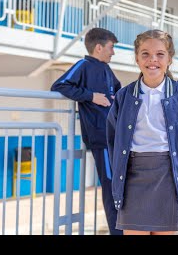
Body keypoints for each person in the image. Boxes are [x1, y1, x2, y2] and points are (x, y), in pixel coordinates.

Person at [106, 29, 178, 235]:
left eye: (160, 54)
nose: (152, 60)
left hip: (170, 176)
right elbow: (113, 138)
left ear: (170, 59)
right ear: (137, 59)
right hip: (132, 177)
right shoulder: (124, 96)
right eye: (145, 54)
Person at [51, 27, 122, 235]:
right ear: (98, 47)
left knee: (120, 186)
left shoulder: (107, 69)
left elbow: (118, 91)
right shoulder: (83, 65)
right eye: (111, 48)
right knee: (111, 188)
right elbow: (60, 85)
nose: (113, 52)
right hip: (101, 138)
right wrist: (91, 96)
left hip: (116, 136)